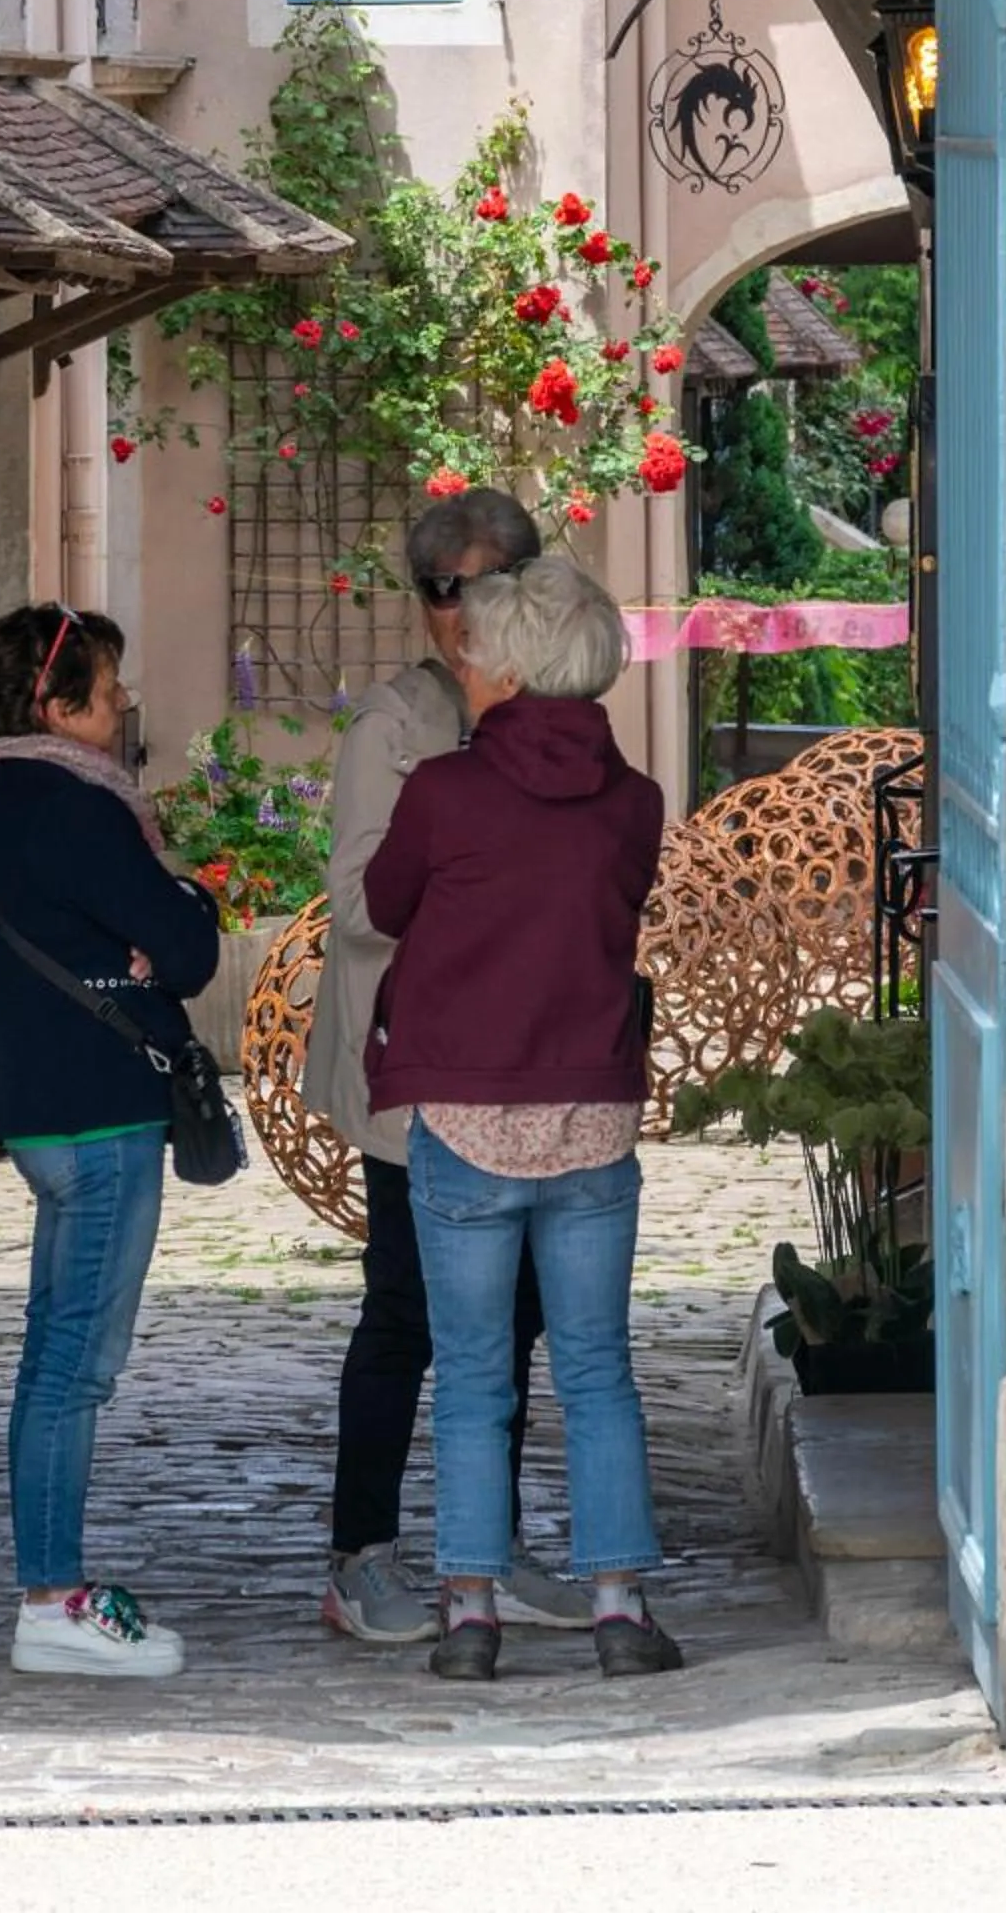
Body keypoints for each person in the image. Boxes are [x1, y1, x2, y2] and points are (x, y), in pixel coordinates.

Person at [364, 552, 680, 1684]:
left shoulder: (442, 793)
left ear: (507, 666)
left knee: (469, 1372)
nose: (466, 659)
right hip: (589, 1109)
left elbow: (381, 902)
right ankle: (615, 1604)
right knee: (597, 1366)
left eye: (477, 646)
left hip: (462, 1109)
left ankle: (467, 1611)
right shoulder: (633, 802)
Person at [301, 489, 588, 1645]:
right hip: (411, 1066)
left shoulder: (558, 710)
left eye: (477, 586)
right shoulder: (397, 727)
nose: (455, 613)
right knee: (405, 1313)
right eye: (437, 590)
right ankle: (357, 1552)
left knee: (515, 1315)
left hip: (522, 1059)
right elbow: (360, 902)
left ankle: (492, 1543)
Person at [0, 600, 221, 1681]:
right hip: (105, 1111)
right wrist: (179, 906)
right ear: (56, 707)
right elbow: (186, 948)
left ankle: (47, 1586)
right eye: (107, 695)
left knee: (49, 1356)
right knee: (76, 1367)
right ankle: (52, 1600)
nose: (121, 712)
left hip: (37, 1110)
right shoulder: (82, 807)